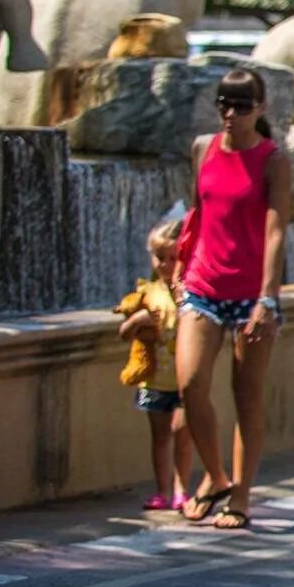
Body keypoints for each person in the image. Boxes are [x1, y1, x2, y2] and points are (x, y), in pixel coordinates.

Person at [175, 69, 292, 531]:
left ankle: (240, 495)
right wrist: (182, 271)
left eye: (242, 106)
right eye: (224, 103)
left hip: (251, 295)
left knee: (247, 397)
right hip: (203, 286)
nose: (231, 113)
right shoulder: (203, 148)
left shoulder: (272, 159)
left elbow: (276, 227)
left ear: (260, 109)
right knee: (190, 385)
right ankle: (216, 476)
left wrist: (268, 298)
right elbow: (198, 212)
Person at [115, 218, 197, 513]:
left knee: (182, 433)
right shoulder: (147, 294)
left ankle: (182, 489)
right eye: (159, 257)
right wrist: (136, 322)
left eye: (173, 258)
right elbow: (124, 334)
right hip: (154, 381)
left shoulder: (190, 292)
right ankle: (162, 490)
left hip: (186, 380)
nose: (165, 264)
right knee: (161, 437)